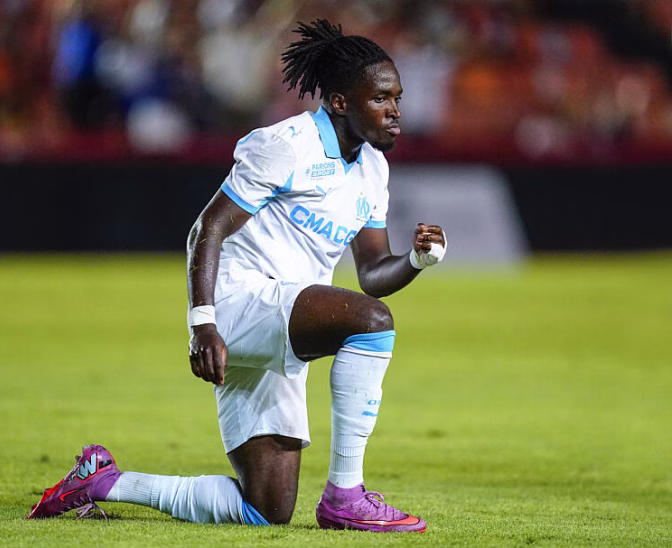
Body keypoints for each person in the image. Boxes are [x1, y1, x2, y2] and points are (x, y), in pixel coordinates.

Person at [27, 19, 446, 533]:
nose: (396, 110)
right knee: (373, 323)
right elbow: (208, 228)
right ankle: (346, 494)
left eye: (397, 98)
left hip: (285, 320)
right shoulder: (287, 145)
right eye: (381, 98)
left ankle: (102, 482)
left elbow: (373, 273)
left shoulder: (373, 169)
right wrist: (203, 323)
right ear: (340, 102)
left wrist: (417, 260)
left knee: (266, 510)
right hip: (236, 305)